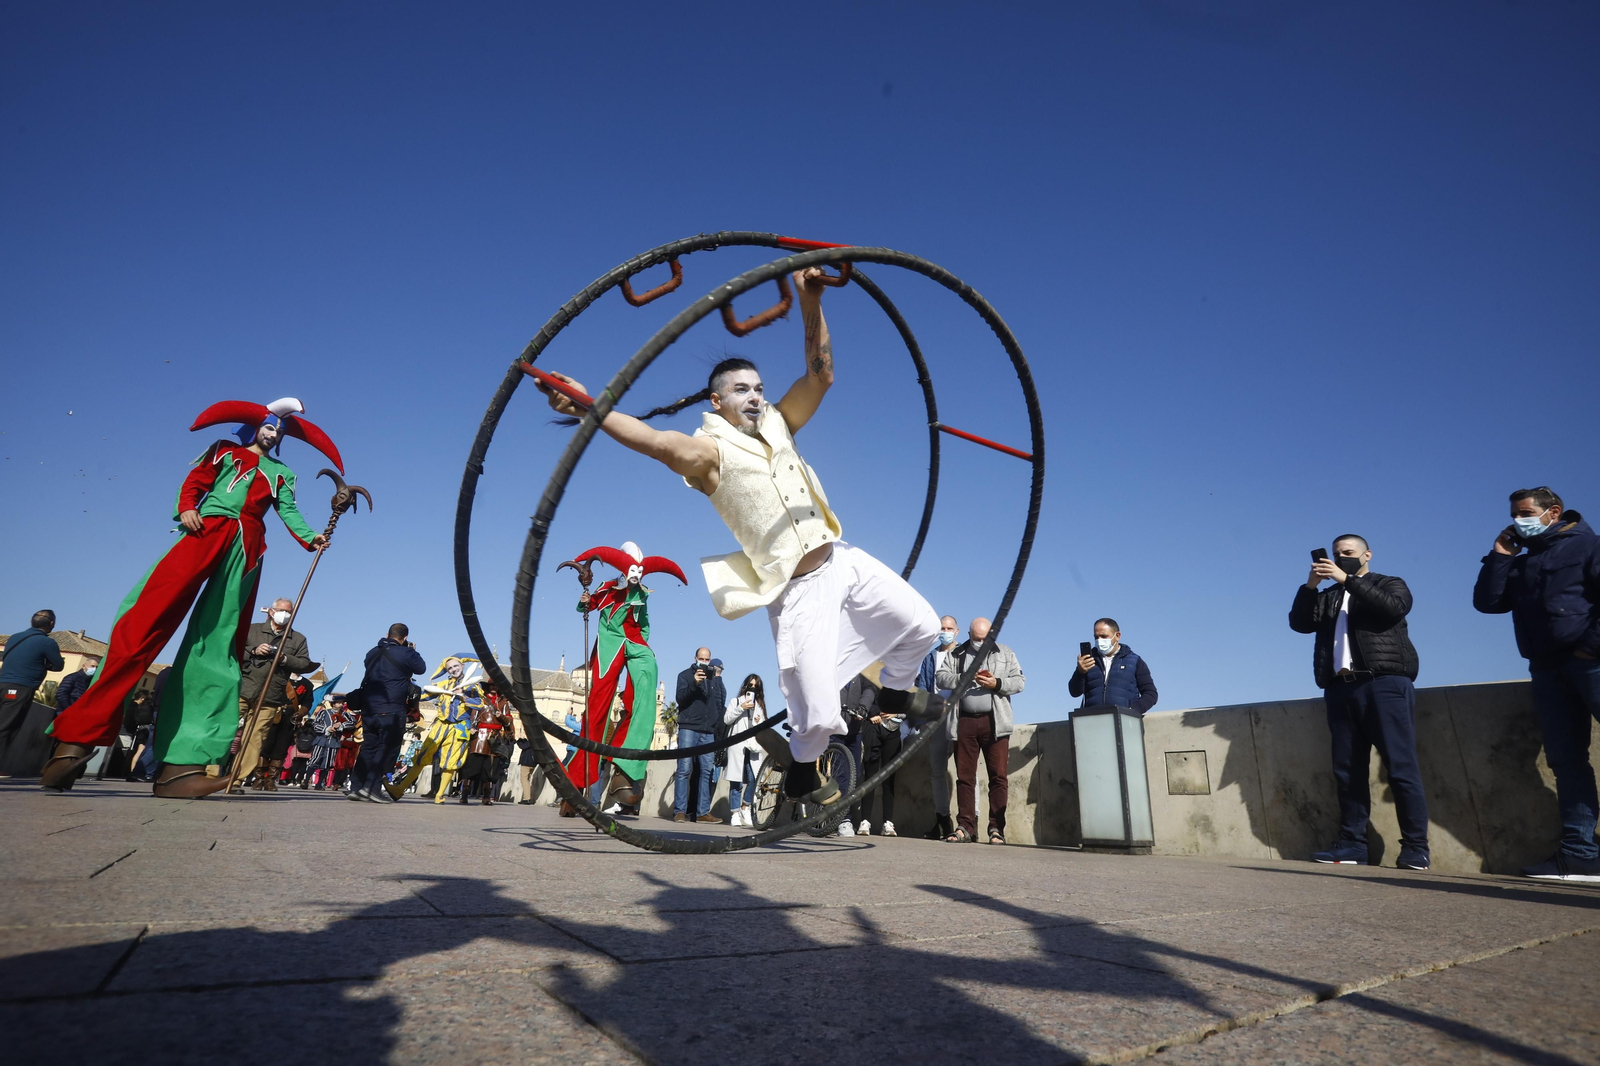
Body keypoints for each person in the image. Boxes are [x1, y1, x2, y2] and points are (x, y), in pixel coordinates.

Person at [536, 266, 943, 807]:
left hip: (841, 559)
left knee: (922, 623)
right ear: (716, 401)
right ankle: (802, 773)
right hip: (797, 588)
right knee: (818, 708)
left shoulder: (780, 424)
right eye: (741, 390)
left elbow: (820, 375)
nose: (754, 397)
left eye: (759, 388)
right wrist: (590, 406)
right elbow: (654, 440)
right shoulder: (709, 454)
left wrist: (810, 299)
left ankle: (894, 691)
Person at [42, 398, 337, 796]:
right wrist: (186, 508)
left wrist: (311, 537)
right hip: (204, 530)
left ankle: (182, 766)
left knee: (218, 646)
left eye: (279, 431)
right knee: (143, 621)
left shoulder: (282, 473)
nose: (274, 434)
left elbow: (289, 511)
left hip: (245, 550)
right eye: (269, 427)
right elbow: (194, 482)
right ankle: (72, 742)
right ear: (255, 426)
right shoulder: (224, 452)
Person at [1473, 487, 1600, 881]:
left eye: (1525, 513)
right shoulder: (1523, 560)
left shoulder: (1590, 546)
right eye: (1514, 514)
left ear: (1553, 512)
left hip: (1591, 664)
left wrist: (1589, 650)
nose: (1518, 520)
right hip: (1547, 670)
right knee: (1567, 762)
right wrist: (1500, 555)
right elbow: (1487, 602)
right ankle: (1580, 855)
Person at [1290, 534, 1429, 870]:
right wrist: (1310, 586)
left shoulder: (1389, 583)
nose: (1341, 557)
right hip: (1340, 688)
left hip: (1384, 683)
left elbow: (1393, 608)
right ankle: (1352, 845)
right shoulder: (1329, 596)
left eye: (1348, 552)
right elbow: (1299, 623)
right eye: (1337, 554)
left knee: (1401, 767)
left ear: (1367, 555)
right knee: (1348, 772)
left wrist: (1348, 580)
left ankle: (1416, 848)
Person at [564, 542, 686, 812]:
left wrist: (643, 643)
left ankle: (626, 767)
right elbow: (587, 606)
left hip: (634, 643)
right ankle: (575, 782)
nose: (636, 575)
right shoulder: (608, 588)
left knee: (647, 681)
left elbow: (644, 622)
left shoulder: (642, 593)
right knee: (597, 709)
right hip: (610, 645)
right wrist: (585, 601)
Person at [937, 618, 1025, 845]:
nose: (980, 643)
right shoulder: (956, 654)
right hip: (964, 721)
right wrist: (963, 678)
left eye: (984, 639)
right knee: (965, 777)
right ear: (969, 635)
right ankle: (965, 827)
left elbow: (1019, 682)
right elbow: (941, 677)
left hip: (995, 722)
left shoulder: (1005, 653)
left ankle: (996, 829)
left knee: (998, 776)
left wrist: (996, 683)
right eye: (976, 639)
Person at [235, 599, 318, 792]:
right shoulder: (253, 630)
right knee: (225, 730)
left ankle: (237, 779)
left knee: (255, 740)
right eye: (281, 610)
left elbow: (304, 663)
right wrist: (254, 651)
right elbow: (234, 650)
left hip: (271, 695)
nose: (284, 614)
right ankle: (210, 773)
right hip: (243, 688)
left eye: (289, 612)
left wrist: (284, 658)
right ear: (271, 612)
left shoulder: (297, 639)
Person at [385, 655, 481, 802]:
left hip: (459, 727)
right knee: (422, 757)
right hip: (440, 725)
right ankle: (399, 789)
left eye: (456, 666)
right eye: (450, 668)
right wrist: (407, 687)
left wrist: (463, 696)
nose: (453, 669)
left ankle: (439, 795)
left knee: (451, 761)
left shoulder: (473, 686)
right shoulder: (442, 685)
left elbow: (480, 704)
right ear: (447, 671)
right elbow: (423, 696)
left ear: (462, 666)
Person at [348, 624, 426, 803]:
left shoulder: (372, 653)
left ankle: (357, 787)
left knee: (368, 747)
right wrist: (412, 650)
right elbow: (421, 668)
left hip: (369, 708)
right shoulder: (406, 653)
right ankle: (372, 788)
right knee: (388, 749)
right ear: (405, 638)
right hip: (391, 708)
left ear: (387, 634)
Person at [0, 611, 65, 777]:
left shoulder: (14, 637)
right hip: (21, 687)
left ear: (31, 620)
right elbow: (58, 665)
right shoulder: (47, 642)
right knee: (7, 726)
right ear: (52, 624)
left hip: (2, 682)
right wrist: (44, 664)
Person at [849, 672, 904, 837]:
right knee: (870, 777)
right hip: (872, 729)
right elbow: (866, 695)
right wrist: (874, 713)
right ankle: (865, 821)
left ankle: (888, 822)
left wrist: (897, 713)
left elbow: (910, 701)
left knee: (889, 779)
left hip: (893, 731)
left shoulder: (902, 672)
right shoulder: (873, 671)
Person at [920, 616, 959, 840]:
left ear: (957, 631)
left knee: (966, 771)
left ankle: (969, 821)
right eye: (942, 628)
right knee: (937, 771)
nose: (945, 632)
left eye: (949, 628)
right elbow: (923, 690)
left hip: (960, 717)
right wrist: (923, 722)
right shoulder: (930, 658)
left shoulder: (964, 654)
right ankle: (943, 819)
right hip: (936, 719)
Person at [1069, 618, 1158, 713]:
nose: (1099, 640)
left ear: (1117, 636)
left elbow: (1151, 693)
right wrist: (1080, 672)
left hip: (1123, 719)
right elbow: (1074, 692)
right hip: (1092, 719)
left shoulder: (1134, 661)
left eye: (1104, 636)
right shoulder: (1088, 661)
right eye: (1096, 637)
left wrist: (1132, 711)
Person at [673, 648, 721, 823]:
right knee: (684, 769)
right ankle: (679, 811)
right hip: (689, 727)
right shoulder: (684, 675)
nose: (704, 662)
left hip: (707, 730)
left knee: (707, 771)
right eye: (701, 659)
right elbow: (680, 698)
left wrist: (715, 724)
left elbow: (718, 702)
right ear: (695, 658)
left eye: (707, 659)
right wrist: (694, 683)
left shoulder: (713, 679)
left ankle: (702, 812)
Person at [723, 673, 768, 827]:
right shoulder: (735, 701)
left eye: (756, 686)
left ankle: (745, 807)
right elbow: (727, 719)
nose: (752, 688)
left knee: (755, 778)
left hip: (753, 746)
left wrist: (758, 721)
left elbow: (763, 727)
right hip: (737, 745)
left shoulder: (760, 706)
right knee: (736, 781)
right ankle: (735, 813)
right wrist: (740, 708)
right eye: (750, 685)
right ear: (745, 686)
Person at [457, 695, 512, 806]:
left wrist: (501, 716)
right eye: (491, 687)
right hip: (479, 737)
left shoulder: (503, 703)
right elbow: (472, 716)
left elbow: (508, 722)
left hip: (495, 737)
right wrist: (470, 728)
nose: (493, 688)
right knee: (472, 767)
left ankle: (487, 796)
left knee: (490, 769)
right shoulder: (480, 700)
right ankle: (464, 794)